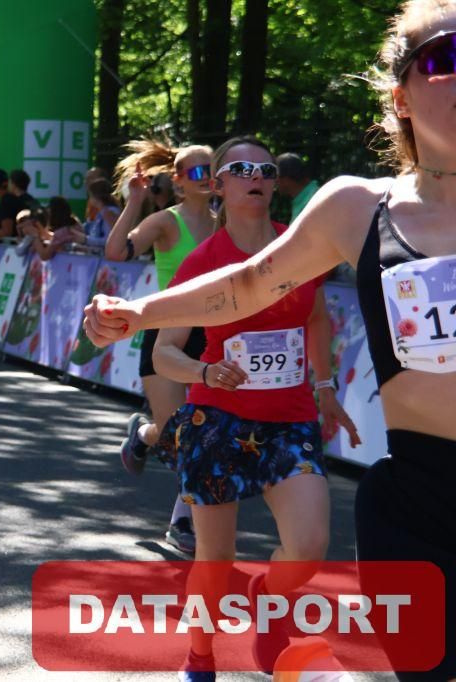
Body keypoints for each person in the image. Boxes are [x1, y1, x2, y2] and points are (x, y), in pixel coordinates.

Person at [85, 139, 368, 680]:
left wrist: (325, 384)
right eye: (241, 169)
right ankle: (200, 655)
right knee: (214, 560)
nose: (255, 176)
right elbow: (164, 353)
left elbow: (315, 317)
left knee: (309, 548)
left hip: (289, 420)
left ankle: (267, 595)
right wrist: (204, 372)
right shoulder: (204, 261)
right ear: (219, 185)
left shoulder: (298, 247)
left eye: (265, 169)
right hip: (217, 420)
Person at [104, 142, 217, 554]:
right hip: (166, 331)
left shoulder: (229, 224)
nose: (207, 178)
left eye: (212, 170)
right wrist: (134, 202)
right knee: (174, 431)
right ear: (179, 181)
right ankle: (145, 434)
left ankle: (182, 521)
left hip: (213, 335)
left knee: (202, 432)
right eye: (197, 172)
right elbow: (116, 251)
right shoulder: (166, 222)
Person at [275, 153, 321, 224]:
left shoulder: (311, 203)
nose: (273, 182)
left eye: (275, 177)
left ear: (286, 179)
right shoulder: (311, 195)